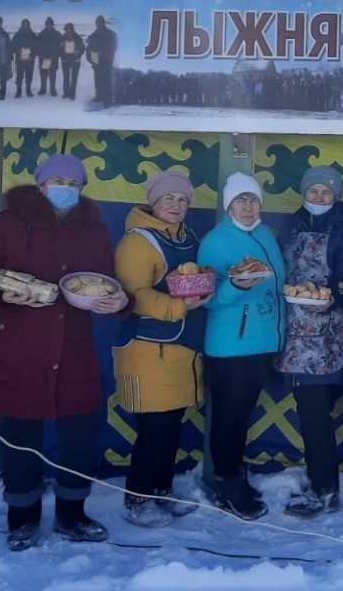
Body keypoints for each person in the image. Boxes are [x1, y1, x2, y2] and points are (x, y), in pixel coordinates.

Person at [0, 154, 127, 551]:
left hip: (74, 346)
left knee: (81, 435)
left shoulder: (96, 232)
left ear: (82, 189)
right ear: (39, 185)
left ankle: (72, 514)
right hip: (17, 344)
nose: (64, 189)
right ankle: (22, 518)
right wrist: (3, 295)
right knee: (19, 436)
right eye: (56, 181)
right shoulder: (6, 223)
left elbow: (107, 282)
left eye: (73, 184)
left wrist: (121, 300)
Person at [111, 170, 211, 528]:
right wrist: (182, 306)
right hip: (148, 349)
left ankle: (161, 491)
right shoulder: (138, 242)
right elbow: (133, 295)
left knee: (171, 427)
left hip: (181, 350)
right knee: (153, 430)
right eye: (169, 198)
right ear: (153, 201)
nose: (176, 205)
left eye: (182, 199)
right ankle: (137, 500)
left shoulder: (189, 237)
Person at [276, 166, 343, 518]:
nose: (318, 198)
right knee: (307, 410)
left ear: (336, 196)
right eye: (313, 191)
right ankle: (321, 483)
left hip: (327, 335)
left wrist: (334, 298)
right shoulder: (293, 226)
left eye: (326, 193)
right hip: (293, 334)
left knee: (314, 413)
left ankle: (324, 489)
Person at [198, 172, 286, 519]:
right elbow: (206, 298)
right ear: (228, 205)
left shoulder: (265, 233)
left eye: (252, 200)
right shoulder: (215, 242)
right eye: (240, 201)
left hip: (262, 341)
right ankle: (227, 484)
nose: (247, 207)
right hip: (231, 345)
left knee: (243, 413)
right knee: (229, 417)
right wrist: (239, 286)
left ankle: (236, 476)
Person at [86, 15, 118, 106]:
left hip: (107, 62)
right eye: (97, 23)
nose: (98, 24)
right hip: (96, 62)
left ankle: (107, 98)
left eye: (100, 22)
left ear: (104, 23)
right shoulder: (93, 36)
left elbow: (114, 47)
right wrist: (90, 59)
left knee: (107, 80)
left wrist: (106, 56)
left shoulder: (111, 34)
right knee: (98, 80)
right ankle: (98, 96)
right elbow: (89, 49)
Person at [11, 18, 38, 99]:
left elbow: (36, 47)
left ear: (29, 25)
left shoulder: (33, 35)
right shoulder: (17, 35)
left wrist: (32, 55)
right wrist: (17, 51)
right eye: (24, 24)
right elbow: (13, 46)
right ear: (21, 25)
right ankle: (18, 91)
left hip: (30, 60)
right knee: (19, 76)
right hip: (20, 60)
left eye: (27, 24)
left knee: (29, 76)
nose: (25, 26)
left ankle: (28, 90)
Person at [59, 23, 85, 100]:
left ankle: (72, 94)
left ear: (73, 29)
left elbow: (83, 48)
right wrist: (61, 48)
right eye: (67, 29)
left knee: (74, 79)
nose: (69, 30)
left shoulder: (78, 38)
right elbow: (58, 49)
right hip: (65, 60)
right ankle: (66, 93)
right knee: (66, 78)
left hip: (75, 61)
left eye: (70, 29)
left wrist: (78, 52)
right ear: (65, 30)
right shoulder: (62, 38)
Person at [35, 17, 60, 96]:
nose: (49, 25)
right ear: (46, 25)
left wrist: (55, 56)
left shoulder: (57, 34)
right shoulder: (41, 34)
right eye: (47, 24)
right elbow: (37, 46)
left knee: (53, 75)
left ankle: (53, 90)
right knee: (43, 75)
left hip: (53, 58)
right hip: (44, 58)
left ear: (52, 24)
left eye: (50, 24)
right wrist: (41, 55)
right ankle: (43, 89)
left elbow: (59, 47)